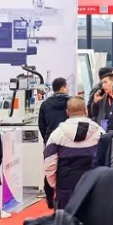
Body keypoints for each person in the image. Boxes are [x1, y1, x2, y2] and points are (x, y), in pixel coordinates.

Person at [43, 97, 104, 210]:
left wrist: (56, 185)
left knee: (65, 220)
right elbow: (105, 160)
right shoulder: (100, 132)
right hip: (92, 186)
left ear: (67, 112)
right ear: (86, 110)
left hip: (65, 187)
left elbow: (49, 164)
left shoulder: (56, 135)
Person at [38, 78, 70, 209]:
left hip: (50, 140)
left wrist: (47, 138)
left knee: (50, 168)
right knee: (66, 167)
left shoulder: (45, 104)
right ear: (63, 87)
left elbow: (41, 124)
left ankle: (49, 197)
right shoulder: (70, 102)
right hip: (67, 140)